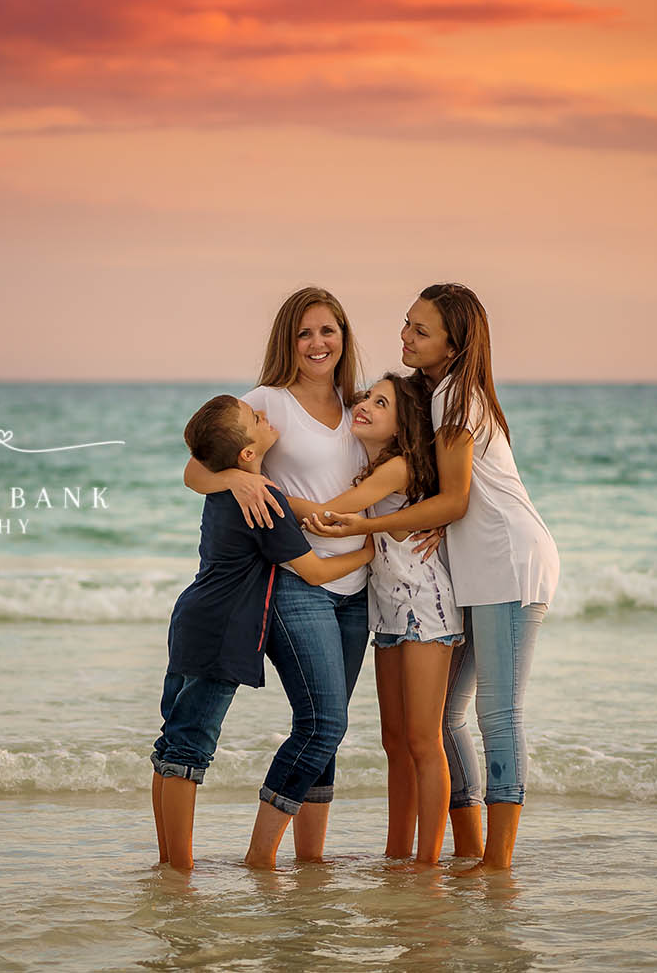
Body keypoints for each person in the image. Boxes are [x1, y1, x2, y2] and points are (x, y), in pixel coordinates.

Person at [306, 283, 559, 874]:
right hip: (473, 573)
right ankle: (467, 852)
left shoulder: (459, 399)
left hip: (508, 565)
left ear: (455, 342)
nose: (406, 338)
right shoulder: (444, 395)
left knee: (500, 714)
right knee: (446, 719)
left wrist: (381, 524)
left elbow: (451, 502)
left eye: (421, 330)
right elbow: (443, 497)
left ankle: (496, 868)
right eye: (406, 325)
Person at [181, 287, 371, 870]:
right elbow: (197, 468)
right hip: (297, 583)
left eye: (328, 331)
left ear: (344, 337)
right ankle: (259, 859)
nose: (318, 343)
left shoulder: (359, 406)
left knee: (328, 732)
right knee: (322, 721)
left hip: (358, 592)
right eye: (305, 333)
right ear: (288, 341)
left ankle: (310, 865)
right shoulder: (267, 401)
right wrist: (240, 483)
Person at [283, 374, 464, 867]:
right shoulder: (374, 465)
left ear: (403, 425)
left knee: (424, 741)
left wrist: (262, 490)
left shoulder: (398, 467)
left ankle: (426, 863)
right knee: (394, 741)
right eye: (365, 397)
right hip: (385, 608)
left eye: (380, 403)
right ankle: (396, 855)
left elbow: (326, 515)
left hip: (425, 607)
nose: (363, 405)